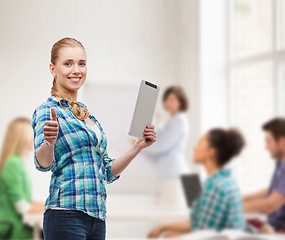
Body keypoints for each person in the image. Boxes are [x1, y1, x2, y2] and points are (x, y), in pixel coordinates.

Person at [32, 37, 156, 240]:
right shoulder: (48, 111)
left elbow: (106, 172)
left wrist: (138, 147)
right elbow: (43, 164)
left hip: (97, 218)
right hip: (65, 214)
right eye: (68, 63)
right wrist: (48, 142)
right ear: (53, 69)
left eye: (82, 63)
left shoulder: (89, 118)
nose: (77, 70)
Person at [148, 128, 245, 238]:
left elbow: (204, 235)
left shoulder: (215, 187)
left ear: (210, 152)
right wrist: (164, 227)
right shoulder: (227, 182)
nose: (195, 147)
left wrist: (173, 236)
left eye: (200, 143)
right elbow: (197, 223)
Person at [143, 86, 189, 205]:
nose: (168, 102)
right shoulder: (174, 120)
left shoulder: (179, 120)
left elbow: (162, 145)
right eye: (167, 99)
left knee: (171, 215)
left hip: (174, 174)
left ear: (181, 101)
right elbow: (164, 138)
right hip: (170, 174)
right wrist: (160, 121)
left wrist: (140, 146)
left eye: (172, 99)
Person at [0, 118, 45, 239]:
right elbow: (23, 207)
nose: (35, 139)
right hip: (12, 230)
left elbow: (26, 201)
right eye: (32, 134)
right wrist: (50, 207)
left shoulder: (17, 162)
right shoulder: (13, 164)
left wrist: (51, 205)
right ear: (22, 138)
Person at [243, 118, 285, 233]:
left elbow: (270, 205)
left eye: (268, 142)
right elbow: (274, 190)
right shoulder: (280, 163)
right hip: (273, 225)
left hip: (280, 230)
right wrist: (240, 198)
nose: (266, 147)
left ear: (282, 142)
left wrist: (232, 207)